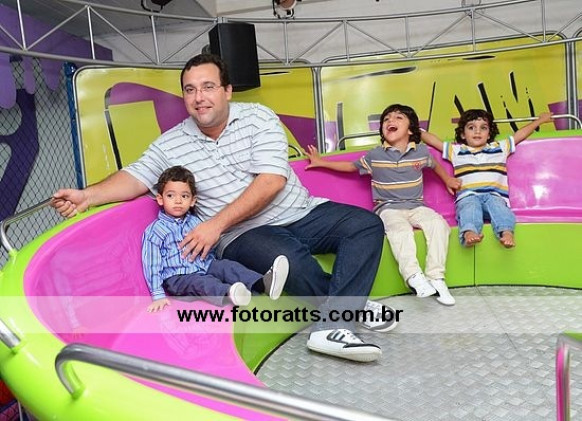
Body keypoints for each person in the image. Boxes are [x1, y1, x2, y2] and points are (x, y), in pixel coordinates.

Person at [52, 53, 394, 363]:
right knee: (288, 260)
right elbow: (135, 177)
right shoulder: (170, 143)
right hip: (242, 233)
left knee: (365, 225)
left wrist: (213, 224)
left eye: (208, 87)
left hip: (301, 211)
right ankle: (339, 319)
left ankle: (341, 312)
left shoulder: (258, 117)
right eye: (190, 90)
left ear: (227, 90)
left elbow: (272, 181)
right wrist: (87, 196)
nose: (199, 97)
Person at [305, 104, 461, 306]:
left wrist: (448, 180)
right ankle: (413, 276)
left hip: (416, 206)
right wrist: (321, 162)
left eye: (398, 118)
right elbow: (351, 166)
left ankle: (436, 277)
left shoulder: (421, 152)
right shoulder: (375, 155)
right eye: (386, 119)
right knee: (400, 231)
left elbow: (435, 165)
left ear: (411, 130)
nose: (390, 121)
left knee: (439, 225)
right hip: (388, 208)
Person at [142, 165, 289, 313]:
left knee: (227, 266)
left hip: (204, 265)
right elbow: (152, 264)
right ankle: (230, 294)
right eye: (170, 196)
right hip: (179, 278)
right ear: (160, 199)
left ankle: (263, 283)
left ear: (193, 200)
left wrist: (214, 263)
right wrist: (158, 294)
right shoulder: (156, 231)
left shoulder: (196, 222)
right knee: (203, 282)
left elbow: (208, 246)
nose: (178, 201)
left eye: (184, 196)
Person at [421, 109, 553, 248]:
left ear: (489, 133)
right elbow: (434, 141)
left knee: (500, 209)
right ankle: (469, 232)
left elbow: (520, 135)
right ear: (463, 134)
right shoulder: (457, 151)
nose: (477, 132)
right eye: (471, 128)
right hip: (469, 195)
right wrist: (414, 129)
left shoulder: (500, 147)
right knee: (468, 208)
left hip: (494, 195)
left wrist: (540, 121)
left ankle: (506, 232)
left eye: (483, 128)